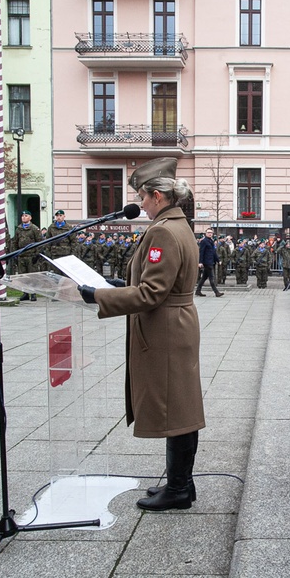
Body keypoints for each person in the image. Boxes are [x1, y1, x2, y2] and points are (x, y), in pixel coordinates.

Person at [77, 157, 204, 512]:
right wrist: (119, 286)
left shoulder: (164, 229)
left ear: (158, 197)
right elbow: (157, 283)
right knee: (179, 404)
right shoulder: (177, 225)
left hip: (166, 327)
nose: (140, 204)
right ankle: (182, 483)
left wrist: (99, 295)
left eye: (143, 197)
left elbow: (152, 293)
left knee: (176, 408)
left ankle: (179, 488)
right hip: (174, 323)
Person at [12, 211, 43, 301]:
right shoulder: (19, 229)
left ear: (30, 218)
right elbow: (15, 242)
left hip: (31, 255)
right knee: (23, 276)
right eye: (22, 216)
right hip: (21, 255)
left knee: (32, 275)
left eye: (26, 216)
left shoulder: (34, 229)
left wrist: (37, 255)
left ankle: (33, 293)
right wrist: (15, 253)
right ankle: (25, 293)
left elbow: (39, 242)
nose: (24, 217)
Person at [195, 228, 224, 297]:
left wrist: (218, 260)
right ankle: (216, 292)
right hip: (207, 262)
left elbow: (214, 252)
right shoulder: (204, 241)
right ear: (206, 233)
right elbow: (201, 252)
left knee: (204, 278)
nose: (210, 234)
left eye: (211, 232)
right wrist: (200, 262)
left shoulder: (211, 241)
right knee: (211, 278)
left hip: (211, 261)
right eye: (208, 232)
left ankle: (198, 291)